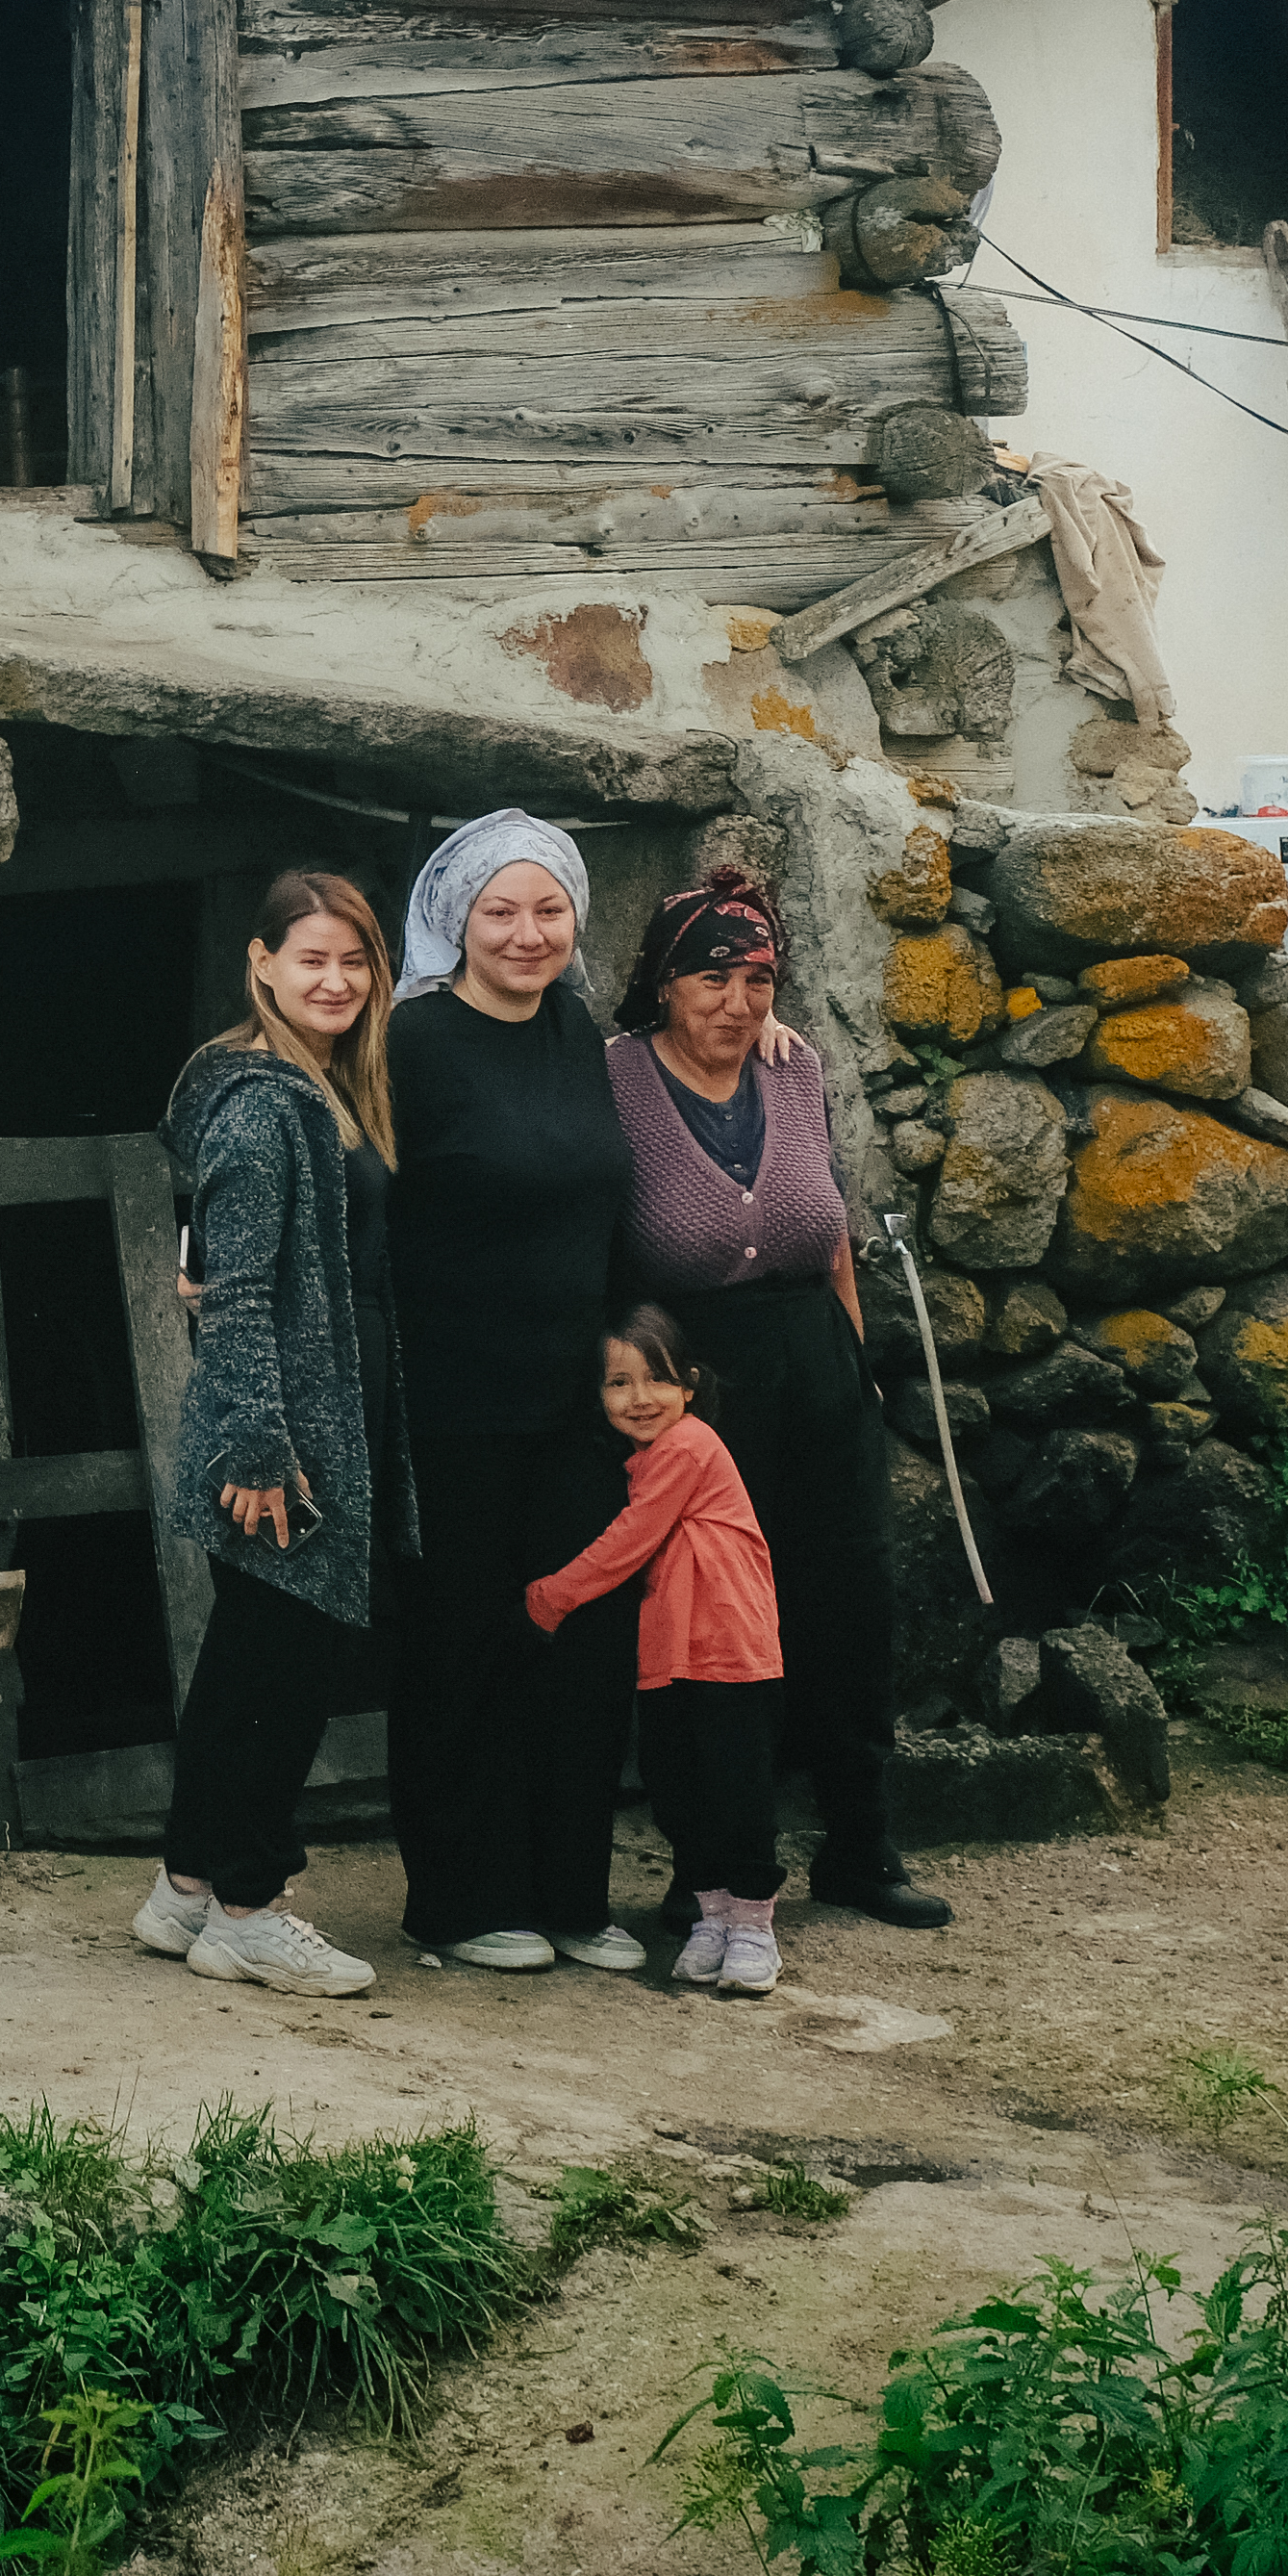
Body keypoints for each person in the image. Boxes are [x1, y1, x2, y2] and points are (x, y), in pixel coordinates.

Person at [606, 871, 952, 1931]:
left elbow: (832, 1227)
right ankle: (704, 1865)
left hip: (817, 1368)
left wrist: (851, 1359)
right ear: (663, 983)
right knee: (708, 1628)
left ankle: (861, 1846)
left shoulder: (793, 1067)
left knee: (847, 1607)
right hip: (699, 1387)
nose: (738, 1000)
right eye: (712, 976)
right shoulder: (613, 1079)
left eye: (758, 977)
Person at [379, 810, 650, 1976]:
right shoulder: (411, 1042)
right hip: (454, 1405)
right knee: (463, 1646)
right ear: (455, 918)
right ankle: (462, 1896)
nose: (527, 934)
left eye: (548, 910)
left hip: (574, 1406)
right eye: (501, 910)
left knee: (581, 1639)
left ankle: (571, 1893)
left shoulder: (578, 1029)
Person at [139, 867, 403, 2000]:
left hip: (311, 1417)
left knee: (246, 1660)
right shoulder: (263, 1106)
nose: (335, 979)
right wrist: (258, 1446)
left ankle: (188, 1884)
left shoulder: (329, 1084)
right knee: (284, 1671)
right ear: (261, 963)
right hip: (288, 1432)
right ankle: (250, 1906)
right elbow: (235, 1292)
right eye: (312, 958)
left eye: (354, 960)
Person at [522, 1304, 792, 1992]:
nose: (639, 1399)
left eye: (657, 1380)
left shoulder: (688, 1446)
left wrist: (553, 1593)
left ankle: (754, 1922)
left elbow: (632, 1540)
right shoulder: (644, 1457)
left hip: (727, 1646)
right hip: (670, 1655)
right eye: (618, 1383)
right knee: (677, 1789)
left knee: (736, 1785)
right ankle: (711, 1914)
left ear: (690, 1386)